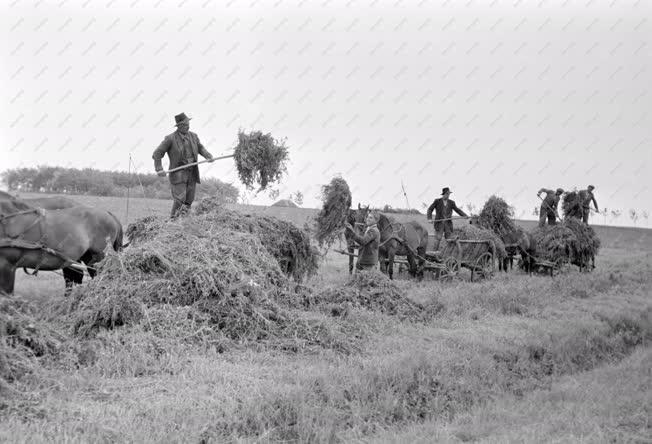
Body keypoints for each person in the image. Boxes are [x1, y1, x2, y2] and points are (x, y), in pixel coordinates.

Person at [153, 113, 214, 218]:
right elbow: (157, 154)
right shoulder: (170, 139)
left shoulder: (194, 136)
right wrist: (159, 168)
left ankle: (184, 223)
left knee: (189, 200)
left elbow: (200, 148)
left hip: (192, 174)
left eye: (188, 124)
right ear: (179, 126)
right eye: (186, 124)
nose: (188, 126)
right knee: (179, 199)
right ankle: (173, 222)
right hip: (178, 174)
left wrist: (208, 156)